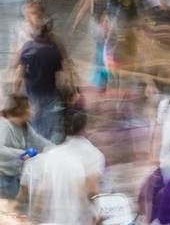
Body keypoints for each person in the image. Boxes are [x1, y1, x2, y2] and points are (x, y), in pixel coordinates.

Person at [17, 110, 105, 224]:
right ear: (86, 128)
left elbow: (24, 196)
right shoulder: (93, 155)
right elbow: (91, 191)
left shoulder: (48, 155)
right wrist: (98, 216)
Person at [16, 15, 65, 144]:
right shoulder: (53, 52)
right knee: (51, 121)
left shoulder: (27, 46)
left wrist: (16, 90)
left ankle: (33, 145)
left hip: (31, 91)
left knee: (34, 118)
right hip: (49, 91)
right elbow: (59, 76)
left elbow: (19, 72)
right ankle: (49, 146)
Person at [0, 94, 51, 198]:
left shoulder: (24, 126)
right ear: (21, 110)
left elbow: (39, 141)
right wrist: (24, 153)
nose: (31, 110)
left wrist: (57, 149)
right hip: (3, 179)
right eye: (29, 106)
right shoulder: (4, 126)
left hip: (14, 176)